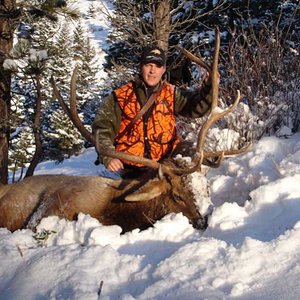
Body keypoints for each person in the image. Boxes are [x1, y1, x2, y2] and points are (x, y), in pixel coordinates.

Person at [92, 45, 213, 179]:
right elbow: (102, 130)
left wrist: (208, 87)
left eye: (157, 66)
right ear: (141, 67)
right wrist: (108, 156)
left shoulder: (171, 93)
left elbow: (196, 108)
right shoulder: (119, 97)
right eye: (148, 65)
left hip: (166, 164)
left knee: (190, 154)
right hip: (131, 169)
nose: (152, 71)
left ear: (163, 70)